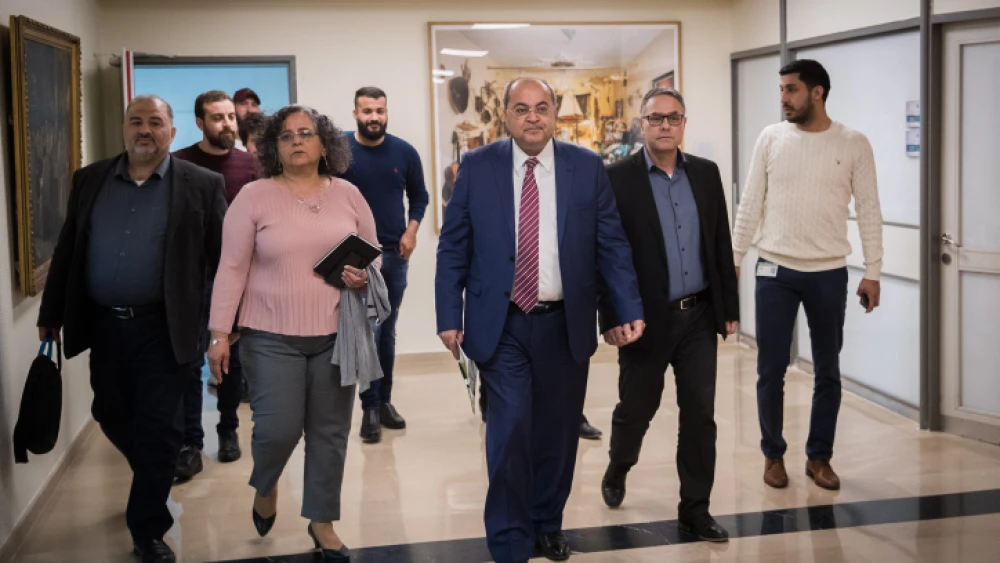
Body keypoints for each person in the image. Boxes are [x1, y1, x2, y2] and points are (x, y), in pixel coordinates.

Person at [435, 77, 644, 563]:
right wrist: (449, 314)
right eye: (522, 108)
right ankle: (510, 539)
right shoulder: (477, 166)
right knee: (508, 434)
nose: (533, 116)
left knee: (557, 432)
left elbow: (611, 244)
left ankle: (547, 523)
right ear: (506, 115)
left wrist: (627, 307)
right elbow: (453, 247)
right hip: (501, 323)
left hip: (564, 322)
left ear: (553, 114)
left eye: (543, 107)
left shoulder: (587, 167)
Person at [36, 95, 226, 563]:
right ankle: (152, 473)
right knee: (110, 413)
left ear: (172, 132)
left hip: (167, 327)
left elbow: (224, 260)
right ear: (123, 129)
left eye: (155, 122)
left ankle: (148, 531)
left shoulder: (202, 184)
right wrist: (51, 311)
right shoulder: (91, 179)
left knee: (159, 430)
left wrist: (225, 325)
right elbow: (67, 251)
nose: (145, 130)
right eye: (136, 122)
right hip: (105, 326)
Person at [208, 105, 376, 563]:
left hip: (337, 334)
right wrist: (220, 332)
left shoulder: (349, 195)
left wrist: (361, 276)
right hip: (269, 334)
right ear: (273, 148)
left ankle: (322, 521)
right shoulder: (253, 197)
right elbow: (232, 267)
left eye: (306, 133)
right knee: (277, 431)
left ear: (325, 142)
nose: (297, 141)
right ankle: (266, 484)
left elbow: (371, 259)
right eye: (286, 136)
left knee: (330, 432)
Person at [732, 59, 884, 491]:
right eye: (781, 89)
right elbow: (750, 203)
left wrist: (872, 271)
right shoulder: (770, 138)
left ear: (817, 92)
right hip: (774, 270)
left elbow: (869, 209)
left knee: (828, 370)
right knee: (770, 369)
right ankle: (772, 455)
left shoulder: (853, 143)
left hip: (828, 272)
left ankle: (819, 457)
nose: (783, 98)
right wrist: (734, 257)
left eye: (792, 89)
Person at [597, 88, 739, 543]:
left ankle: (695, 510)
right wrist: (612, 316)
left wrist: (729, 309)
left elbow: (720, 243)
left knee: (700, 414)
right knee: (637, 409)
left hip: (698, 314)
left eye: (673, 118)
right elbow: (605, 255)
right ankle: (620, 464)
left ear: (683, 123)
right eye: (655, 118)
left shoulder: (706, 173)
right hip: (644, 320)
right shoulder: (617, 179)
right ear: (641, 124)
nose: (664, 125)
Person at [172, 90, 258, 479]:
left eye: (230, 117)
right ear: (199, 122)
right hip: (190, 277)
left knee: (230, 359)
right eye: (217, 117)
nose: (227, 124)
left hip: (238, 276)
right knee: (190, 360)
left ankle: (228, 430)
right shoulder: (179, 164)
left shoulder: (250, 164)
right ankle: (191, 441)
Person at [339, 86, 428, 444]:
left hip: (394, 252)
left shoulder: (404, 151)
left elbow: (419, 196)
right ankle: (370, 408)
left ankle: (385, 402)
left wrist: (412, 231)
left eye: (379, 110)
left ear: (386, 112)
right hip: (354, 254)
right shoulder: (339, 150)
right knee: (366, 332)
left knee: (386, 331)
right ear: (355, 113)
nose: (373, 117)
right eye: (366, 111)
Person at [234, 87, 263, 151]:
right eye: (243, 104)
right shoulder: (224, 146)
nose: (250, 110)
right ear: (233, 108)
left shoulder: (270, 144)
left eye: (254, 104)